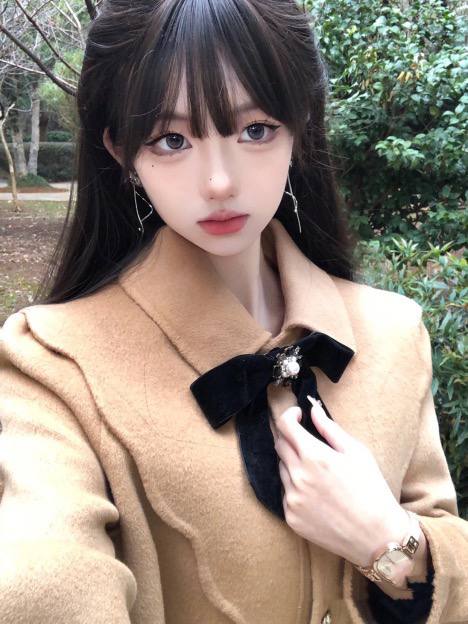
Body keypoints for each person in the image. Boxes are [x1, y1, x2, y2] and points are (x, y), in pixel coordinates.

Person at [0, 1, 466, 622]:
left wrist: (388, 540)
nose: (219, 181)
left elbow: (440, 528)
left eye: (255, 130)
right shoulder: (53, 365)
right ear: (121, 151)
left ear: (299, 125)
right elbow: (43, 574)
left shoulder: (393, 331)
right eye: (172, 140)